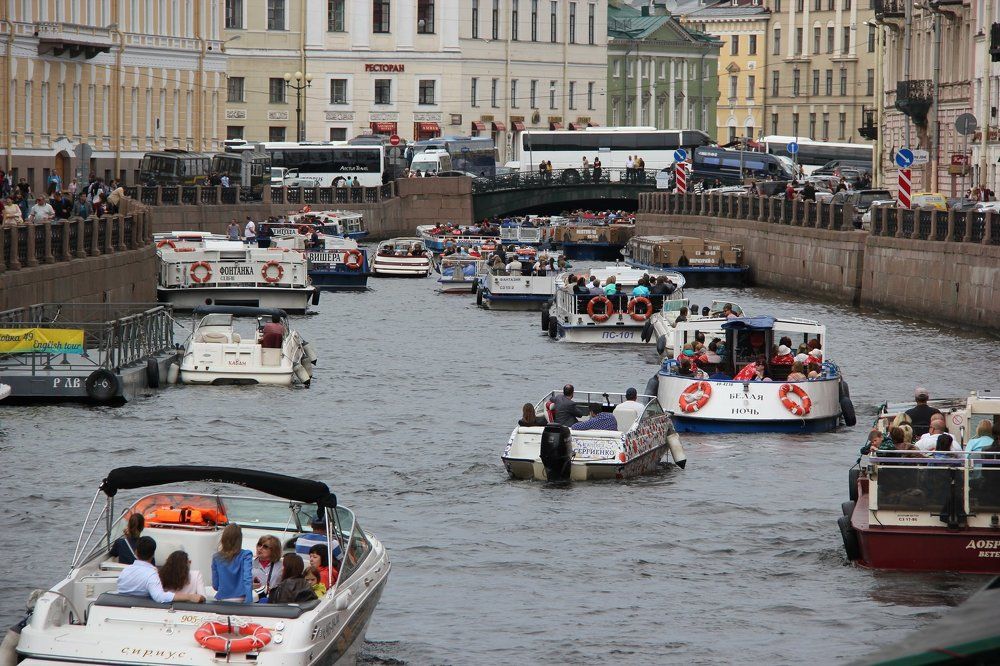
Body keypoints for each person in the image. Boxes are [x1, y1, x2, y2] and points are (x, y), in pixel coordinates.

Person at [116, 536, 204, 603]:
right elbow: (159, 597)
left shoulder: (125, 571)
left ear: (136, 552)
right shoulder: (151, 574)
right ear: (153, 554)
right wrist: (189, 597)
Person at [211, 523, 254, 603]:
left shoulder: (216, 557)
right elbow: (247, 579)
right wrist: (249, 601)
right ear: (239, 539)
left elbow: (216, 585)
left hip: (223, 599)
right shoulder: (246, 555)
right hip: (241, 598)